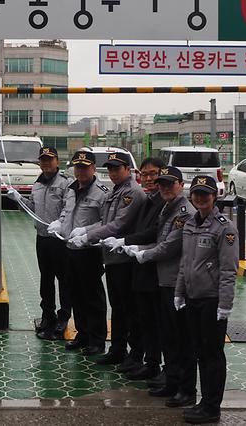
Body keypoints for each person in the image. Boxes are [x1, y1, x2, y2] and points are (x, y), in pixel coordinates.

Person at [113, 166, 197, 408]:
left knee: (181, 339)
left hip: (175, 282)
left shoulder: (183, 212)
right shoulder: (167, 207)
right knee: (169, 335)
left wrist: (143, 253)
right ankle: (171, 381)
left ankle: (184, 388)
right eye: (162, 184)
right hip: (164, 279)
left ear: (180, 185)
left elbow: (169, 246)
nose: (164, 188)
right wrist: (136, 246)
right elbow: (159, 236)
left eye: (169, 184)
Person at [70, 151, 146, 366]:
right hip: (112, 258)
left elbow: (119, 225)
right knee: (119, 308)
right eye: (110, 168)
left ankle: (133, 355)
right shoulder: (116, 191)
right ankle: (118, 350)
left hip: (124, 258)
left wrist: (88, 236)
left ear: (128, 170)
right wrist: (86, 230)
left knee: (128, 310)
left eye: (117, 168)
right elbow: (105, 221)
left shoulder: (131, 192)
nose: (113, 172)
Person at [174, 175, 239, 424]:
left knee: (212, 355)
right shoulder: (189, 223)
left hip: (212, 301)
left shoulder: (225, 229)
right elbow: (185, 263)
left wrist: (225, 304)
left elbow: (228, 270)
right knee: (199, 352)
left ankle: (212, 408)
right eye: (197, 194)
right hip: (192, 298)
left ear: (215, 196)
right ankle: (205, 402)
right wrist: (179, 291)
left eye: (206, 194)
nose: (201, 198)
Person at [7, 146, 73, 340]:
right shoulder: (37, 184)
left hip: (60, 240)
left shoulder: (66, 183)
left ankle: (64, 317)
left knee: (64, 280)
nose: (46, 163)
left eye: (49, 159)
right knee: (46, 279)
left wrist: (60, 223)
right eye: (43, 160)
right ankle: (47, 315)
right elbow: (33, 209)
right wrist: (19, 199)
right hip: (42, 238)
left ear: (57, 162)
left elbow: (68, 209)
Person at [109, 157, 165, 380]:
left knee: (156, 321)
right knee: (141, 317)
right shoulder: (149, 199)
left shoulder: (163, 201)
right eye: (145, 174)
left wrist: (125, 240)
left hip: (155, 269)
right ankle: (144, 359)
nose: (149, 178)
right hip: (139, 265)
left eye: (153, 174)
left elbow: (154, 232)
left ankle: (155, 365)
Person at [47, 150, 108, 355]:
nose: (81, 171)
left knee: (92, 297)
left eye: (85, 167)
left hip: (89, 251)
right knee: (76, 295)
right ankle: (82, 335)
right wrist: (60, 223)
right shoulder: (72, 189)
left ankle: (97, 340)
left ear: (93, 168)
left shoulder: (101, 192)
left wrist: (87, 231)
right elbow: (67, 212)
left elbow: (106, 222)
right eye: (77, 167)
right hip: (70, 249)